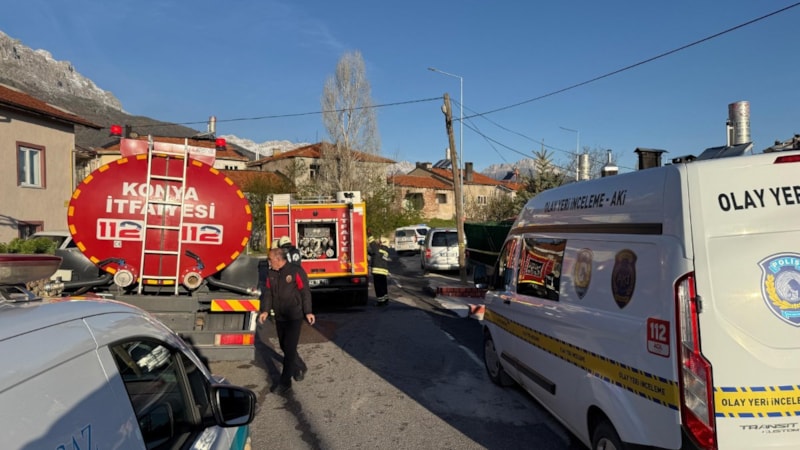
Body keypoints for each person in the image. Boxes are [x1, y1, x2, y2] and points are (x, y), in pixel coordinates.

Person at [258, 247, 315, 394]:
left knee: (289, 348)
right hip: (280, 315)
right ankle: (299, 366)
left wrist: (308, 311)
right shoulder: (271, 273)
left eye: (270, 259)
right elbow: (268, 293)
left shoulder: (295, 271)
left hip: (294, 315)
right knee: (284, 346)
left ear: (278, 259)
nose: (268, 261)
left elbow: (305, 292)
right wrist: (265, 310)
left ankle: (285, 382)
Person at [368, 234, 391, 306]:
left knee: (378, 287)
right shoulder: (385, 250)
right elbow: (373, 253)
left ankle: (380, 302)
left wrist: (369, 235)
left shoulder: (378, 249)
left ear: (383, 243)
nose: (379, 243)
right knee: (383, 286)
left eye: (380, 242)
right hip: (383, 272)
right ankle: (385, 299)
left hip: (377, 272)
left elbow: (373, 244)